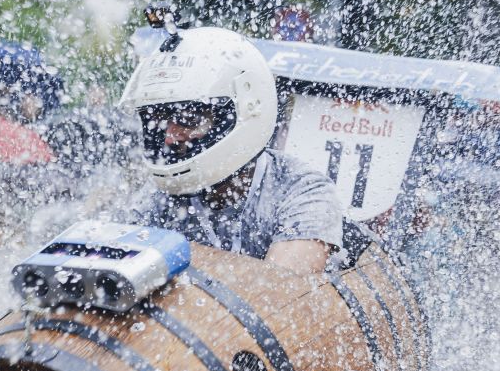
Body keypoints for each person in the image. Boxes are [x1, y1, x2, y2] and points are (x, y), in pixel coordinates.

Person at [120, 25, 342, 274]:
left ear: (245, 111)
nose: (170, 138)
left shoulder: (302, 191)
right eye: (160, 123)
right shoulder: (159, 197)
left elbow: (281, 288)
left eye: (187, 120)